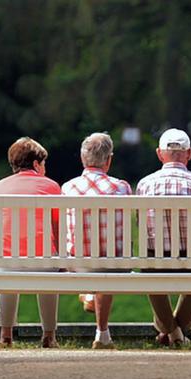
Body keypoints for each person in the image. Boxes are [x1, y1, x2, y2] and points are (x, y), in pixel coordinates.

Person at [136, 128, 191, 346]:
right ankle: (177, 333)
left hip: (155, 262)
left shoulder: (144, 185)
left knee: (148, 264)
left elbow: (141, 224)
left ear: (160, 154)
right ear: (189, 154)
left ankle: (170, 331)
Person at [0, 137, 62, 348]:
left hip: (4, 261)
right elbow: (58, 226)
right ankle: (49, 335)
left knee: (5, 267)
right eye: (44, 163)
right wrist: (62, 256)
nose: (45, 168)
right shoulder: (52, 187)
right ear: (37, 164)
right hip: (43, 261)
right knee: (49, 270)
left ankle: (5, 335)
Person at [61, 132, 132, 349]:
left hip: (76, 264)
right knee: (106, 259)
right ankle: (102, 334)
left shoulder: (67, 188)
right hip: (116, 264)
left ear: (83, 160)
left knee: (93, 258)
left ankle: (89, 294)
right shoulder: (122, 188)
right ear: (109, 160)